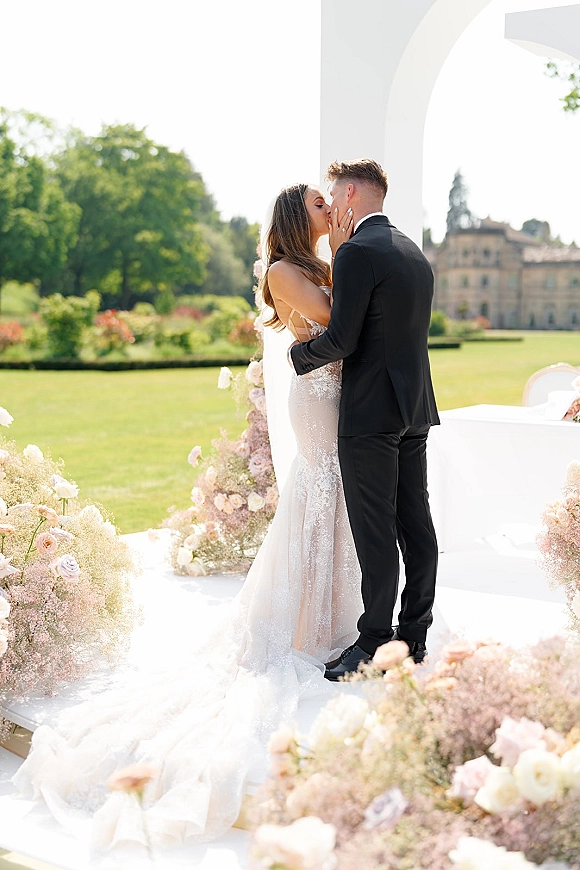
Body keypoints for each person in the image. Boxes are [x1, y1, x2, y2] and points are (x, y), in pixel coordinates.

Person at [12, 183, 363, 851]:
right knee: (319, 494)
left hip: (338, 397)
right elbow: (338, 319)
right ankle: (305, 625)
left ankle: (330, 614)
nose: (329, 207)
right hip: (319, 404)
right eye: (320, 201)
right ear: (298, 216)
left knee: (334, 503)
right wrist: (349, 249)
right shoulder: (290, 270)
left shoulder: (316, 261)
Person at [290, 159, 440, 681]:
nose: (332, 204)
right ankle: (414, 635)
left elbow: (342, 340)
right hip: (414, 408)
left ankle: (375, 640)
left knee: (374, 532)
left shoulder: (356, 251)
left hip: (370, 414)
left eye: (335, 193)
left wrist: (297, 357)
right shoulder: (413, 252)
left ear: (351, 191)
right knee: (415, 524)